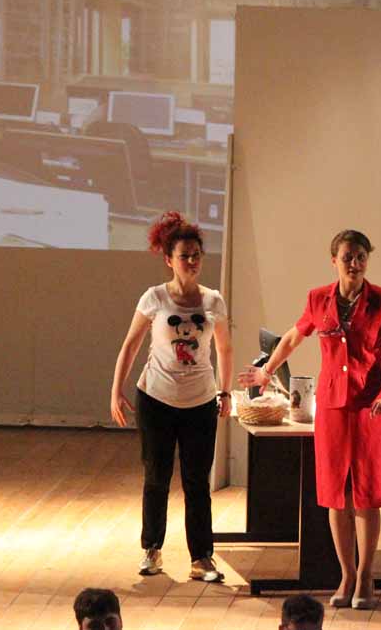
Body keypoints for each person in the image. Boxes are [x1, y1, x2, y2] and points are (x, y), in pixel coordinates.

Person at [238, 229, 381, 610]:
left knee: (367, 494)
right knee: (337, 494)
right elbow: (292, 337)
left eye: (361, 256)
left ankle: (366, 575)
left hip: (370, 406)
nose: (355, 263)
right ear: (334, 260)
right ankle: (346, 574)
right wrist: (267, 371)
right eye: (348, 256)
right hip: (332, 406)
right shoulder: (318, 298)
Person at [110, 211, 233, 582]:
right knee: (157, 477)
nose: (191, 261)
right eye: (184, 256)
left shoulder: (213, 301)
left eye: (196, 255)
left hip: (200, 402)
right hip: (156, 400)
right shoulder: (155, 297)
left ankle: (202, 558)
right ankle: (152, 549)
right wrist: (116, 389)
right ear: (169, 259)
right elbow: (131, 344)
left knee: (197, 482)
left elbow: (225, 349)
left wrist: (225, 391)